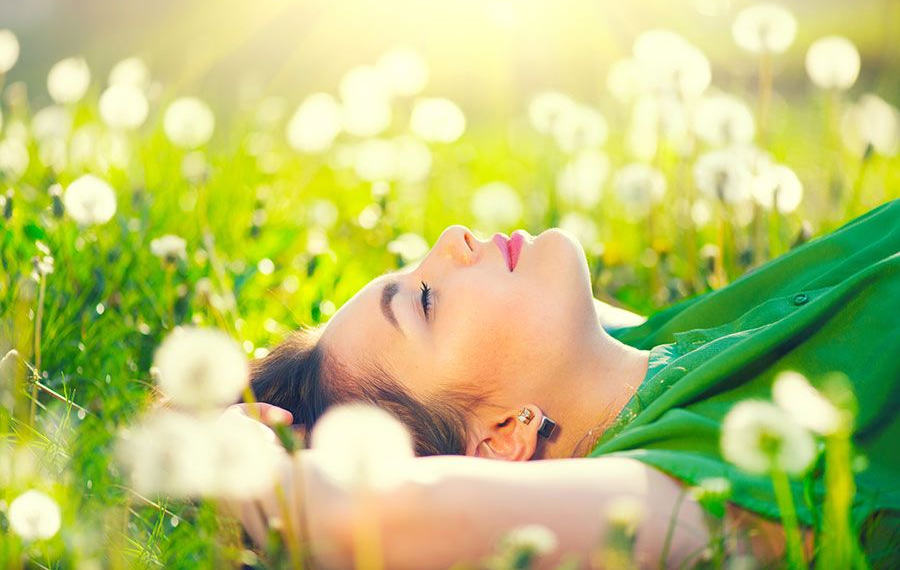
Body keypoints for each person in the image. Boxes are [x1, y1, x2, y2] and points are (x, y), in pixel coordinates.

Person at [224, 199, 899, 569]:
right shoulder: (695, 475)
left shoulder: (663, 344)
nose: (452, 239)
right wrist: (235, 456)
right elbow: (354, 518)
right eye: (425, 302)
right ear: (501, 437)